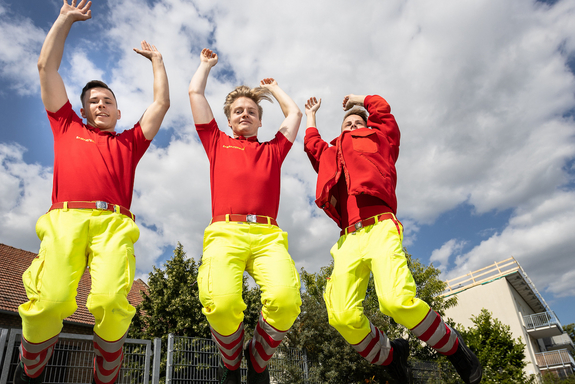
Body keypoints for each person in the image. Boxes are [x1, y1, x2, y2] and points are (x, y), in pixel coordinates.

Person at [15, 1, 170, 383]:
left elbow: (161, 103)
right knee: (50, 300)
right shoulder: (66, 125)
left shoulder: (130, 142)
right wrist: (65, 19)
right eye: (93, 102)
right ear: (82, 111)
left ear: (118, 113)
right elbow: (46, 68)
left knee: (111, 301)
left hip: (114, 224)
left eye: (108, 102)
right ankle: (29, 372)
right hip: (66, 217)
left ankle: (106, 376)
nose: (100, 105)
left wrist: (157, 61)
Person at [303, 95, 482, 384]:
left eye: (357, 122)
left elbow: (383, 114)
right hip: (348, 238)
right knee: (341, 315)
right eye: (346, 124)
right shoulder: (332, 154)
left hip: (380, 225)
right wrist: (311, 115)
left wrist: (362, 100)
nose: (351, 126)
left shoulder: (380, 141)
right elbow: (313, 144)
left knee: (395, 300)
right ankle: (390, 355)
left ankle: (455, 348)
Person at [188, 48, 302, 384]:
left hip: (268, 236)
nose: (244, 114)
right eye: (238, 110)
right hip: (226, 231)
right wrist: (205, 66)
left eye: (251, 111)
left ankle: (258, 358)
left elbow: (294, 113)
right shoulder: (216, 142)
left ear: (260, 120)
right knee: (221, 303)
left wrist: (276, 88)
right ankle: (230, 361)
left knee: (285, 300)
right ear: (228, 118)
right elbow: (195, 93)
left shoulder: (273, 150)